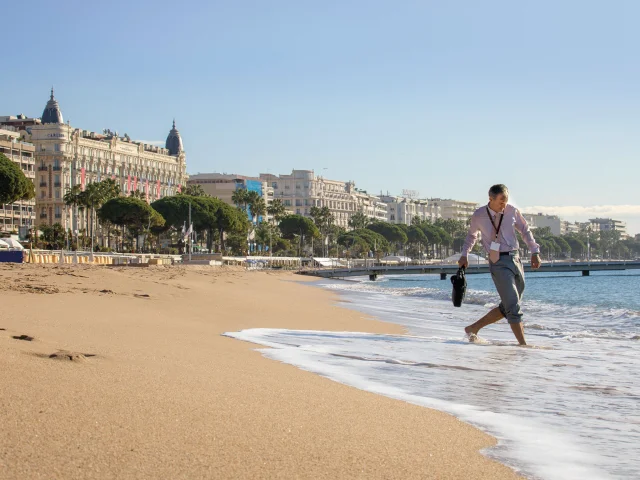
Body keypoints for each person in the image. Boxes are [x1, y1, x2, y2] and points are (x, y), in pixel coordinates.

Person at [458, 184, 541, 345]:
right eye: (501, 200)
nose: (504, 203)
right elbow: (471, 236)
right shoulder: (479, 215)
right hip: (498, 262)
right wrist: (464, 255)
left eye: (506, 199)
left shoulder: (512, 211)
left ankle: (473, 328)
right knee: (513, 305)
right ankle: (523, 345)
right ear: (491, 199)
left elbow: (525, 230)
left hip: (516, 259)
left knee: (511, 303)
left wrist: (534, 251)